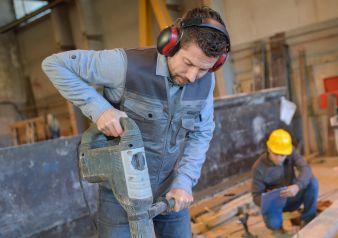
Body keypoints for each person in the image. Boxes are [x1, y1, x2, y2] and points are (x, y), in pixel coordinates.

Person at [42, 6, 230, 238]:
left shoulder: (205, 82)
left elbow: (202, 132)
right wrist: (101, 110)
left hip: (169, 190)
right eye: (188, 63)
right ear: (171, 44)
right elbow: (55, 64)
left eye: (203, 69)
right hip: (120, 193)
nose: (192, 77)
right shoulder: (124, 65)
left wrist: (184, 181)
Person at [251, 129, 318, 234]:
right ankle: (278, 227)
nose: (279, 159)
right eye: (275, 154)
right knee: (274, 224)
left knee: (312, 182)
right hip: (275, 205)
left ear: (288, 152)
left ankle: (307, 220)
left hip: (292, 197)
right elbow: (256, 196)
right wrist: (269, 200)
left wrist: (297, 186)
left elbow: (305, 168)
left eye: (282, 155)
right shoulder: (258, 167)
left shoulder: (291, 152)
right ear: (269, 149)